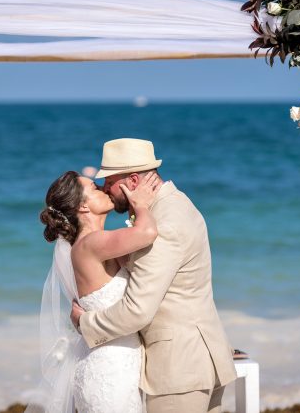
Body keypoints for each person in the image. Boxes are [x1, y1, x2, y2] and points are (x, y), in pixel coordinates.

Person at [71, 138, 237, 413]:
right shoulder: (176, 203)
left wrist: (85, 324)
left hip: (178, 370)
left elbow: (137, 310)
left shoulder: (164, 223)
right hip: (197, 361)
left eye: (109, 181)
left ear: (133, 180)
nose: (105, 189)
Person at [34, 168, 162, 413]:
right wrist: (141, 204)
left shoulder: (98, 243)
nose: (104, 188)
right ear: (83, 207)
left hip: (116, 367)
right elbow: (147, 233)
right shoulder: (90, 243)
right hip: (109, 374)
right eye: (94, 187)